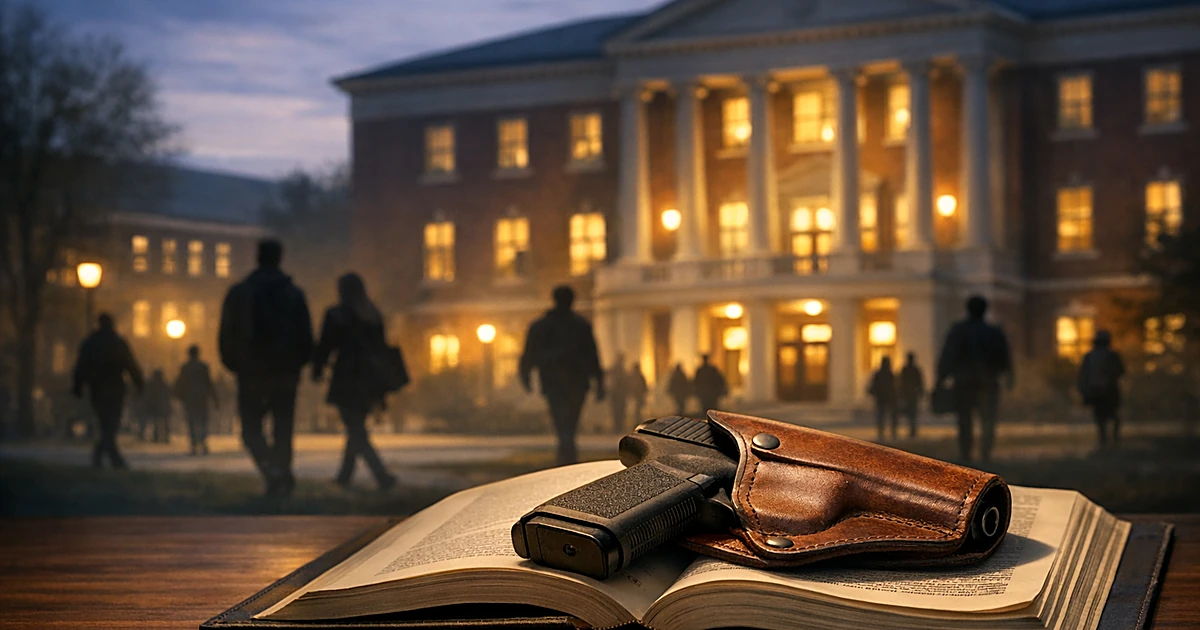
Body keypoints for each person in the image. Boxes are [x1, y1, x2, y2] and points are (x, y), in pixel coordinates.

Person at [219, 239, 314, 497]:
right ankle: (280, 474)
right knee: (283, 429)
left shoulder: (240, 292)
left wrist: (235, 364)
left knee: (251, 430)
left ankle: (273, 472)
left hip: (251, 371)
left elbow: (227, 333)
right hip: (285, 372)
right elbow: (306, 337)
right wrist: (298, 365)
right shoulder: (294, 294)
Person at [312, 273, 397, 491]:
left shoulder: (337, 315)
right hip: (370, 381)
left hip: (347, 378)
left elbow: (325, 345)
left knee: (356, 430)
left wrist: (317, 369)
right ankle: (345, 477)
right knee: (355, 429)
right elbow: (381, 349)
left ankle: (381, 476)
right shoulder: (373, 314)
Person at [519, 285, 605, 466]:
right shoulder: (580, 326)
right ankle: (567, 451)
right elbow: (593, 356)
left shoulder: (541, 326)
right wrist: (599, 382)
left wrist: (526, 377)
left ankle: (566, 451)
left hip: (555, 382)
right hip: (573, 382)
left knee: (563, 421)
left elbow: (529, 355)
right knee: (569, 421)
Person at [936, 295, 1013, 463]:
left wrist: (941, 378)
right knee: (988, 421)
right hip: (988, 384)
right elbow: (1004, 358)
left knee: (965, 421)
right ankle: (985, 453)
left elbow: (948, 356)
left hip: (964, 384)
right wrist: (1008, 377)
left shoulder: (958, 331)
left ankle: (966, 454)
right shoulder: (993, 332)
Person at [71, 313, 144, 469]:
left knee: (105, 423)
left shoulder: (90, 343)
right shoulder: (118, 342)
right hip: (115, 388)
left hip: (97, 388)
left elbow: (81, 366)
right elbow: (130, 365)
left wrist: (78, 386)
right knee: (111, 423)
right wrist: (139, 384)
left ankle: (108, 457)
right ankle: (110, 457)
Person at [1077, 330, 1126, 450]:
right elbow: (1120, 371)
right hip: (1107, 391)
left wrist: (1084, 391)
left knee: (1102, 418)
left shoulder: (1090, 357)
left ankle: (1106, 440)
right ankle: (1112, 439)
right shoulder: (1111, 356)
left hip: (1099, 391)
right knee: (1111, 416)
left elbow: (1083, 376)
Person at [175, 345, 218, 455]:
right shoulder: (203, 367)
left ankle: (193, 445)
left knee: (191, 422)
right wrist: (215, 398)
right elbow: (209, 383)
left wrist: (178, 396)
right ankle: (203, 444)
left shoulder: (185, 367)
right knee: (203, 421)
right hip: (202, 398)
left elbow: (180, 383)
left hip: (189, 399)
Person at [868, 356, 898, 441]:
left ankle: (883, 431)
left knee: (882, 415)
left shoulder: (881, 374)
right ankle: (890, 431)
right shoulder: (889, 374)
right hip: (887, 398)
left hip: (882, 398)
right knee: (887, 415)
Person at [898, 352, 926, 438]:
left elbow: (901, 383)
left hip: (910, 394)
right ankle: (912, 430)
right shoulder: (913, 370)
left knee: (912, 413)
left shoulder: (906, 369)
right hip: (911, 394)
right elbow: (920, 382)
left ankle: (912, 431)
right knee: (912, 413)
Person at [143, 370, 173, 444]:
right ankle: (165, 437)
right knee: (165, 422)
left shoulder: (152, 384)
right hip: (163, 406)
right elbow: (169, 394)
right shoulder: (164, 384)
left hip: (156, 406)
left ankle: (157, 437)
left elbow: (148, 396)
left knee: (157, 422)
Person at [607, 354, 629, 433]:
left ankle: (618, 426)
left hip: (619, 394)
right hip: (617, 394)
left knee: (619, 411)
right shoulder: (618, 369)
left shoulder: (620, 369)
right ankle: (617, 427)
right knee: (617, 411)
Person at [628, 361, 649, 427]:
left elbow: (629, 386)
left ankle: (637, 422)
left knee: (637, 409)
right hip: (639, 395)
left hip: (636, 395)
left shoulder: (633, 376)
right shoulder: (639, 376)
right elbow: (644, 386)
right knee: (638, 409)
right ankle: (637, 421)